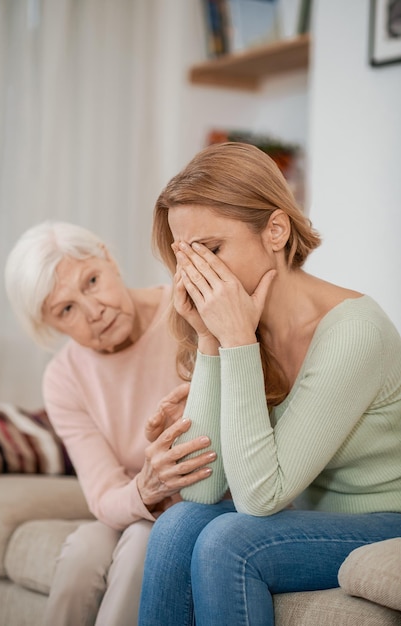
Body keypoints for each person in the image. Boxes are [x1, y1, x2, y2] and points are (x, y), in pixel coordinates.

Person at [137, 142, 401, 626]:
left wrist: (235, 338)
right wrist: (209, 339)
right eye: (185, 257)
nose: (197, 274)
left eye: (211, 251)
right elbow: (204, 489)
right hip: (316, 518)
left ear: (275, 231)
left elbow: (261, 497)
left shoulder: (355, 332)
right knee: (178, 525)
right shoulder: (243, 323)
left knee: (227, 542)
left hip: (389, 519)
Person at [4, 221, 218, 626]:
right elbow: (103, 494)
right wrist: (146, 486)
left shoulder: (188, 309)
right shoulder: (64, 376)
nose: (94, 310)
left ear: (109, 258)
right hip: (137, 502)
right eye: (66, 309)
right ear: (52, 325)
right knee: (84, 548)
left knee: (140, 542)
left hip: (209, 498)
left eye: (92, 281)